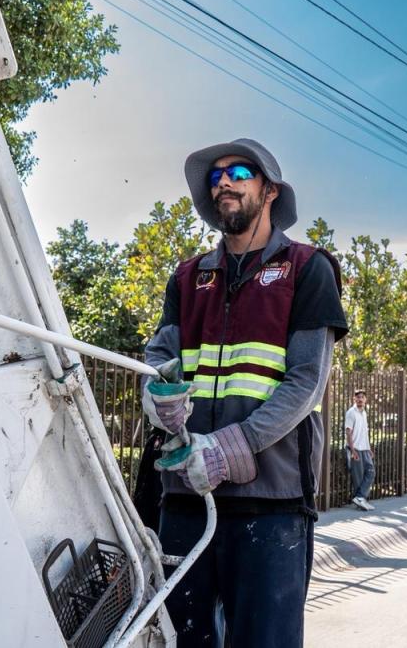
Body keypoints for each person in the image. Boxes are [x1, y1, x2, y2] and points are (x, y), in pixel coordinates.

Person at [141, 138, 347, 647]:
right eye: (215, 178)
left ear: (270, 190)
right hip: (185, 497)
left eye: (238, 173)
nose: (223, 183)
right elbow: (159, 356)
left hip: (271, 500)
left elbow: (307, 380)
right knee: (178, 639)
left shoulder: (307, 268)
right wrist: (157, 393)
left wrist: (232, 446)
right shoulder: (188, 277)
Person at [344, 389, 375, 511]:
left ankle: (360, 497)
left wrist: (369, 448)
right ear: (354, 399)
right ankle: (361, 501)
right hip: (355, 449)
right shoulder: (351, 413)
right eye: (358, 397)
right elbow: (348, 432)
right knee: (358, 477)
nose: (360, 399)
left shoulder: (364, 413)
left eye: (362, 397)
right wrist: (352, 450)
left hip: (364, 449)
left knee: (371, 472)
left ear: (365, 399)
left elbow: (364, 432)